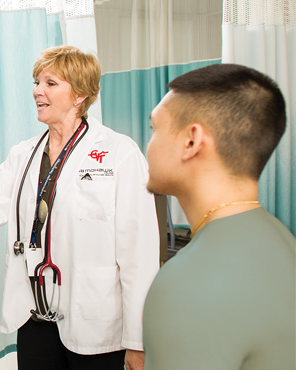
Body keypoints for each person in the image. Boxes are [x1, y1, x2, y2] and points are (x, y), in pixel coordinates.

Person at [0, 45, 159, 370]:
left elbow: (140, 254)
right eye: (36, 82)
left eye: (50, 83)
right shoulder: (23, 155)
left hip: (95, 321)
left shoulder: (118, 153)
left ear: (79, 94)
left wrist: (137, 342)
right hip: (35, 316)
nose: (37, 91)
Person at [142, 64, 295, 369]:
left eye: (154, 128)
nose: (149, 144)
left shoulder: (188, 282)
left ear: (191, 141)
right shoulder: (281, 239)